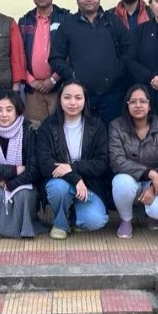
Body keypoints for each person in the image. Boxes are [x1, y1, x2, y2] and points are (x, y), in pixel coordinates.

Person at [49, 0, 131, 124]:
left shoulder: (112, 21)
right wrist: (73, 76)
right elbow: (55, 58)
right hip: (81, 97)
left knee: (111, 139)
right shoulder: (68, 25)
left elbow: (129, 50)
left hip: (112, 96)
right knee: (86, 142)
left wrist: (118, 71)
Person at [36, 81, 110, 239]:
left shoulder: (97, 126)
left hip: (89, 185)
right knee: (58, 189)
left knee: (96, 221)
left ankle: (74, 217)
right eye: (67, 97)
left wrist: (74, 168)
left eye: (78, 98)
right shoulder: (48, 126)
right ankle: (60, 223)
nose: (72, 103)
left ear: (85, 100)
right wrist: (74, 178)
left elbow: (102, 163)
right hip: (59, 182)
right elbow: (45, 164)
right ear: (60, 99)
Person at [108, 84, 158, 238]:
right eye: (133, 102)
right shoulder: (116, 126)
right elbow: (117, 161)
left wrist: (153, 186)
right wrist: (149, 173)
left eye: (143, 101)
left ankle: (152, 215)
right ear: (127, 105)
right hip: (131, 179)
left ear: (150, 105)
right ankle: (126, 220)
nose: (138, 105)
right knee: (121, 183)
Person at [0, 89, 46, 239]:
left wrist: (10, 184)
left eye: (9, 109)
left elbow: (34, 169)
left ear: (17, 110)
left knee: (24, 195)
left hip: (25, 183)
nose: (4, 114)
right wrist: (15, 170)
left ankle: (25, 229)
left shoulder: (29, 130)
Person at [18, 0, 69, 123]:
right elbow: (18, 54)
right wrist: (31, 80)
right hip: (33, 90)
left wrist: (53, 79)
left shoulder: (66, 18)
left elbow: (71, 52)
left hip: (60, 87)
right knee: (35, 131)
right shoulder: (24, 21)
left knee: (60, 130)